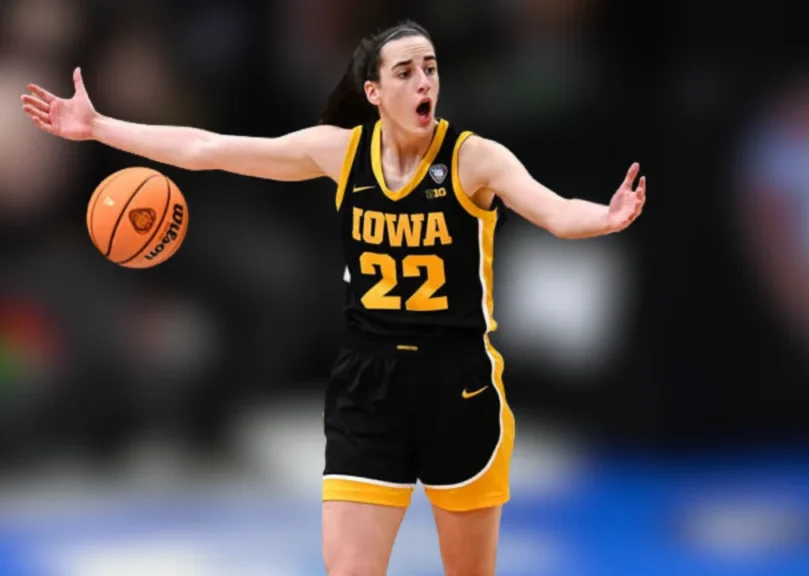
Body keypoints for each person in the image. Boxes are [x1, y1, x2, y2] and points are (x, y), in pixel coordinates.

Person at [20, 19, 646, 576]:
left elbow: (555, 212)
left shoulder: (474, 159)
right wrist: (99, 126)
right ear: (374, 93)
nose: (423, 80)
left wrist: (606, 217)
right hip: (370, 383)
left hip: (458, 383)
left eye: (430, 67)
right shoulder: (339, 152)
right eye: (406, 70)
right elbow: (208, 150)